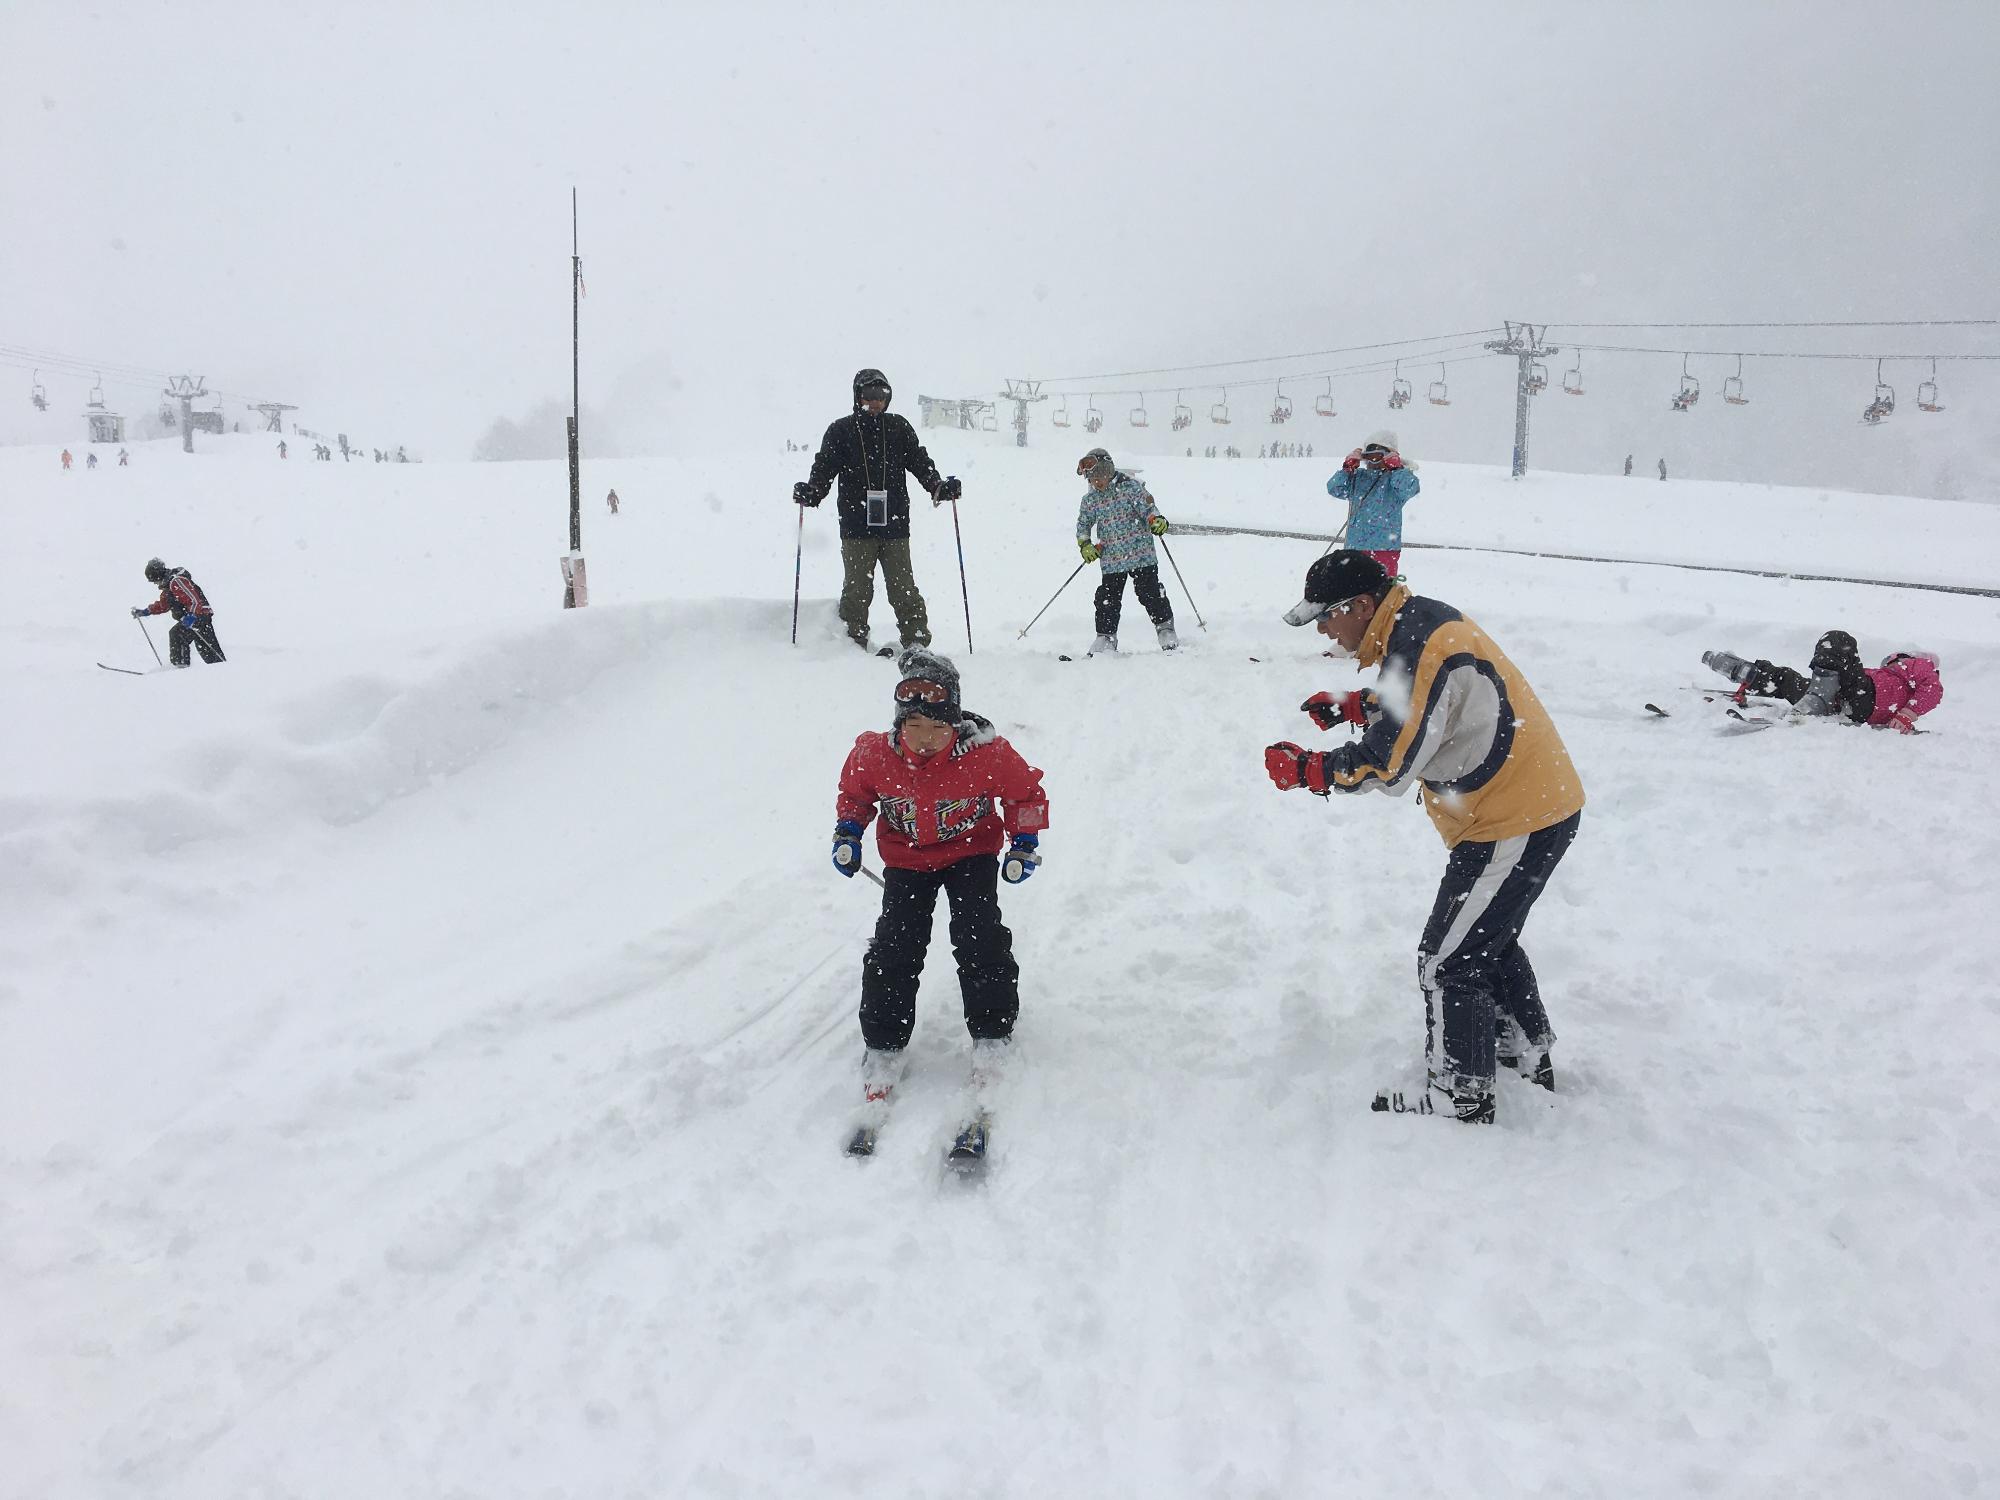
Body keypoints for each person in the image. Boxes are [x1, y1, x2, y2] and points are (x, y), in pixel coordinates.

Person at [1263, 551, 1585, 1124]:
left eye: (1326, 616)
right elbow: (1431, 703)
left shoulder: (1418, 644)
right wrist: (1359, 705)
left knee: (1448, 961)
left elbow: (1390, 763)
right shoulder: (1416, 624)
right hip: (1529, 807)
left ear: (1361, 606)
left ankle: (1461, 1096)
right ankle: (1522, 1057)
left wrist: (1312, 770)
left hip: (1512, 819)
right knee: (1485, 943)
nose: (1322, 630)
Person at [831, 647, 1049, 1115]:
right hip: (907, 859)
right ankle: (884, 1042)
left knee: (979, 937)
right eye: (914, 727)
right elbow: (855, 794)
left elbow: (1025, 795)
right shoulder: (875, 755)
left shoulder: (986, 755)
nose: (926, 739)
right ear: (899, 725)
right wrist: (848, 832)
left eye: (937, 728)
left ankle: (992, 1032)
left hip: (971, 854)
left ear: (955, 723)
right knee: (896, 945)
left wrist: (1024, 841)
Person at [794, 369, 959, 655]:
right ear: (857, 397)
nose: (876, 402)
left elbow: (920, 462)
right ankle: (853, 643)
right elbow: (824, 468)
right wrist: (812, 491)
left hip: (895, 526)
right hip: (856, 527)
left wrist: (938, 487)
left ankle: (916, 641)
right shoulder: (841, 431)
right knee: (857, 590)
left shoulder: (898, 427)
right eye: (869, 395)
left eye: (882, 396)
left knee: (903, 587)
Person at [1702, 634, 1942, 733]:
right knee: (1789, 680)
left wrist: (1907, 715)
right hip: (1844, 702)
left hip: (1863, 697)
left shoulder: (1914, 665)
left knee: (1838, 640)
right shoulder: (1885, 675)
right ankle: (1752, 675)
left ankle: (1810, 697)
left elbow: (1933, 689)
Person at [1073, 447, 1176, 654]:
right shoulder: (1090, 500)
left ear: (1108, 471)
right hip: (1111, 559)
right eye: (1092, 479)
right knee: (1107, 599)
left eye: (1100, 476)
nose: (1096, 482)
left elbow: (1148, 509)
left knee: (1150, 593)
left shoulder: (1130, 487)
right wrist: (1085, 545)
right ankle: (1106, 637)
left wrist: (1156, 520)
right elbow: (1083, 525)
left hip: (1141, 554)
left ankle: (1165, 628)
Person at [1328, 430, 1420, 577]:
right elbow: (1334, 488)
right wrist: (1347, 469)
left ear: (1390, 456)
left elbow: (1410, 488)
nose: (1373, 462)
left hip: (1384, 550)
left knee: (1380, 589)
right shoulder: (1358, 476)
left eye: (1378, 456)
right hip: (1354, 548)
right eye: (1369, 456)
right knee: (1351, 588)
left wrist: (1396, 469)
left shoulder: (1395, 479)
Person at [132, 557, 226, 667]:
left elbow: (194, 600)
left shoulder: (176, 581)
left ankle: (180, 667)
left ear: (157, 575)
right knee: (207, 649)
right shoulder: (168, 587)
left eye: (153, 580)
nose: (155, 583)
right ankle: (220, 668)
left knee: (177, 634)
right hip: (197, 617)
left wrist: (191, 617)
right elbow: (163, 605)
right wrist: (145, 611)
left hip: (199, 615)